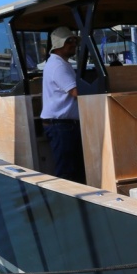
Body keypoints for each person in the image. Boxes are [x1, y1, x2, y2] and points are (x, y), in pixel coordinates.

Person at [41, 26, 86, 184]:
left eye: (74, 40)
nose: (73, 44)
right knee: (67, 172)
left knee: (73, 170)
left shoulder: (59, 64)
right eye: (69, 41)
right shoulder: (58, 66)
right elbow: (76, 92)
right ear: (58, 45)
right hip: (61, 126)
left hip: (63, 125)